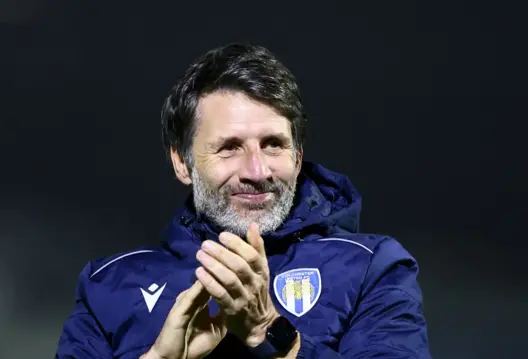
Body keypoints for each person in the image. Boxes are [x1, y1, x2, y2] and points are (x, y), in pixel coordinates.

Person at [55, 43, 431, 359]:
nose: (256, 170)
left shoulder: (373, 268)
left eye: (273, 144)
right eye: (230, 147)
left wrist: (272, 333)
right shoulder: (108, 284)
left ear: (298, 157)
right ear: (182, 162)